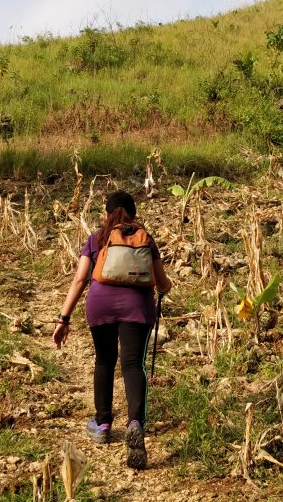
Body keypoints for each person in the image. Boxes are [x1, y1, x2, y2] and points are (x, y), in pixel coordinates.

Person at [52, 190, 172, 470]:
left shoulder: (98, 238)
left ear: (108, 214)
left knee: (104, 360)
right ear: (134, 213)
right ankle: (135, 423)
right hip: (138, 308)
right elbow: (160, 280)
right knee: (133, 364)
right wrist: (166, 289)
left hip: (101, 305)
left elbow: (81, 278)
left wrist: (63, 318)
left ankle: (103, 423)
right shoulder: (146, 238)